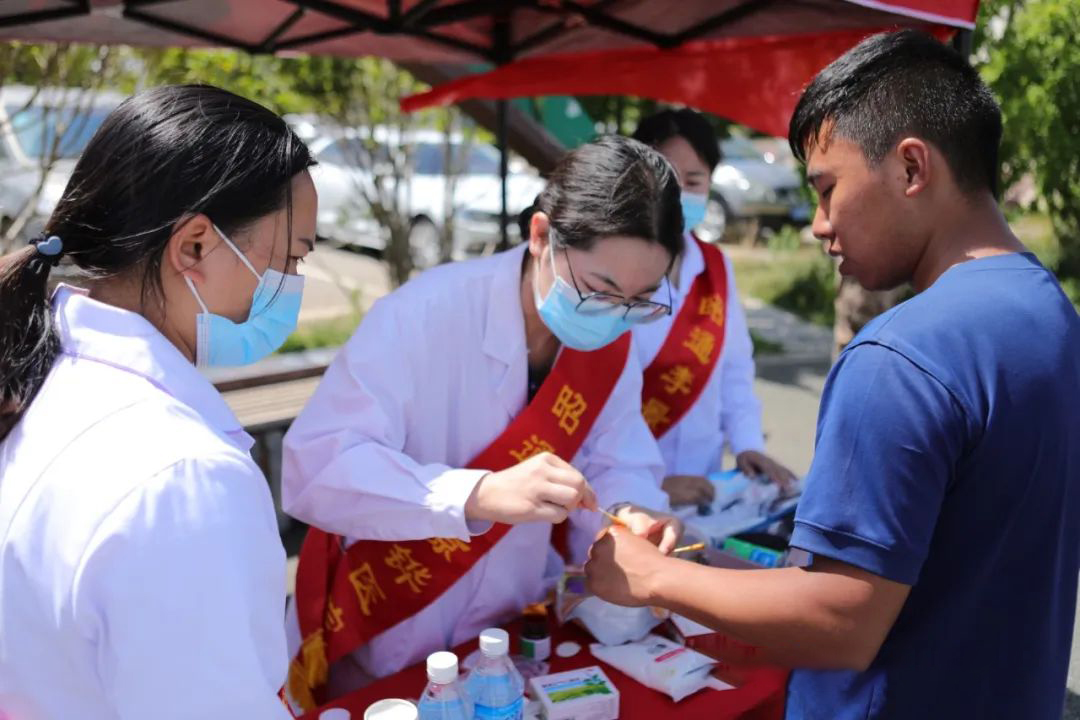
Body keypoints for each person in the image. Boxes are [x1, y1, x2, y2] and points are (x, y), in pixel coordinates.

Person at [584, 29, 1080, 719]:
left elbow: (842, 619)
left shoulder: (900, 359)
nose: (818, 225)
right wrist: (699, 571)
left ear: (912, 168)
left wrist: (652, 577)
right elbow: (920, 570)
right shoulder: (1049, 311)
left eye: (828, 189)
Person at [280, 135, 682, 712]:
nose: (617, 316)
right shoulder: (424, 315)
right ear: (541, 236)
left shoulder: (613, 345)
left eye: (642, 299)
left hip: (506, 635)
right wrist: (478, 492)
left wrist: (631, 512)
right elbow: (317, 464)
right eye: (601, 290)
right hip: (389, 633)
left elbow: (619, 460)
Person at [0, 85, 316, 719]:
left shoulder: (40, 375)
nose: (294, 287)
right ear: (194, 246)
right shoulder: (184, 478)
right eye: (290, 259)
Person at [631, 109, 796, 507]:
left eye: (694, 182)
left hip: (703, 491)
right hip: (624, 494)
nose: (680, 193)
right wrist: (647, 484)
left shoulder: (716, 268)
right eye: (668, 178)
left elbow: (735, 367)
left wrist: (747, 444)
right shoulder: (613, 270)